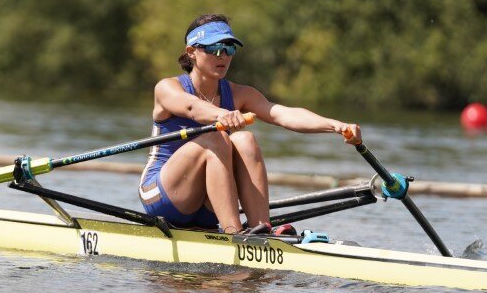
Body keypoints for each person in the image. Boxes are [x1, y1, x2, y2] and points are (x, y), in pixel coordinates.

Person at [139, 13, 362, 235]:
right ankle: (235, 234)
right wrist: (220, 115)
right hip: (162, 196)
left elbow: (283, 114)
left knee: (245, 139)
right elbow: (191, 107)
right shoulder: (167, 88)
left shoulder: (239, 94)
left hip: (208, 204)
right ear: (192, 52)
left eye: (229, 49)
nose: (223, 56)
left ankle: (260, 231)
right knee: (217, 138)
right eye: (215, 48)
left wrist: (335, 125)